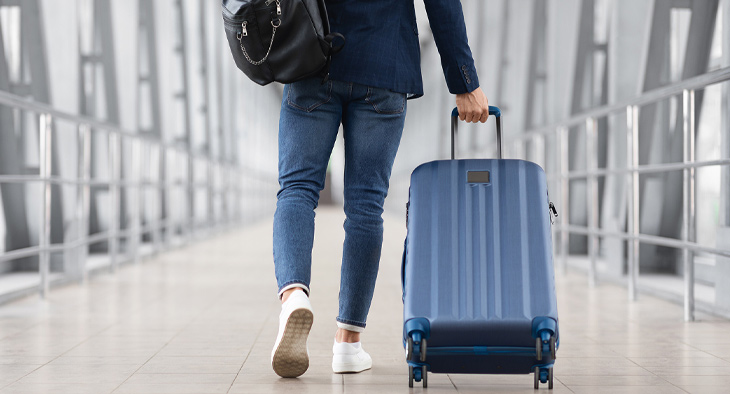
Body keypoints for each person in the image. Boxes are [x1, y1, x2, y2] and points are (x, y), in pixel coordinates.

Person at [270, 0, 490, 378]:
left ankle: (293, 296)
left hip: (313, 57)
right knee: (366, 207)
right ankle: (348, 343)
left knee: (297, 189)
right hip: (384, 63)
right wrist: (464, 81)